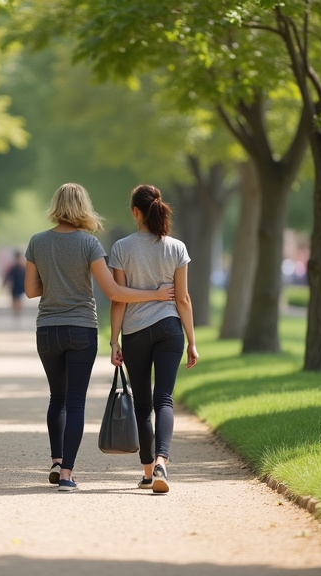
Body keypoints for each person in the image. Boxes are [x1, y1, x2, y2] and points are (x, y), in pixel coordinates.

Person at [24, 183, 174, 492]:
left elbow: (30, 290)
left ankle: (55, 460)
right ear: (83, 206)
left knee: (58, 397)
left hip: (48, 330)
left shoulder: (37, 242)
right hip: (81, 329)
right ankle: (66, 475)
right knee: (76, 401)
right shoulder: (89, 245)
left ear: (55, 206)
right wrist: (156, 294)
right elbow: (114, 292)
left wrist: (54, 283)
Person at [108, 184, 198, 495]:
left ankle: (148, 472)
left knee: (143, 404)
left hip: (135, 332)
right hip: (170, 328)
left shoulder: (121, 248)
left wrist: (114, 341)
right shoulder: (176, 248)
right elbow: (183, 298)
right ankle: (162, 461)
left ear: (135, 212)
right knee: (165, 399)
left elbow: (118, 299)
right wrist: (192, 340)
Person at [2, 250, 26, 318]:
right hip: (14, 286)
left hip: (20, 286)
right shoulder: (13, 267)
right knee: (14, 299)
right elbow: (7, 276)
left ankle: (17, 312)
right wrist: (4, 284)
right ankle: (16, 312)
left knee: (19, 299)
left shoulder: (23, 267)